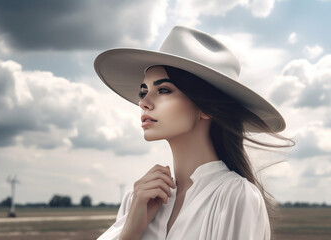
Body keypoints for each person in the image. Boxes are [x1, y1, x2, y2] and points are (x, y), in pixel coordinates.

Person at [94, 26, 293, 240]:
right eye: (143, 92)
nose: (144, 102)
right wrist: (130, 231)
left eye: (164, 90)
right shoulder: (137, 197)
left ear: (206, 107)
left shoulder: (235, 196)